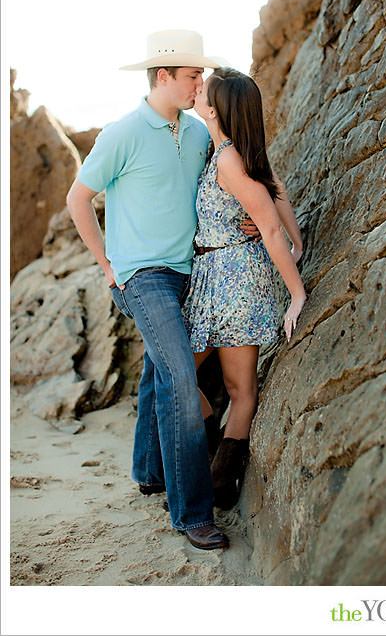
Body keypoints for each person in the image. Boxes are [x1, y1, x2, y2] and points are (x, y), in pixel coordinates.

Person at [66, 30, 233, 550]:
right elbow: (78, 198)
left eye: (200, 76)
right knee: (182, 379)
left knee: (158, 370)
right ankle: (192, 513)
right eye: (191, 77)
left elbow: (219, 186)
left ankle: (148, 471)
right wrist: (107, 262)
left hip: (191, 270)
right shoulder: (121, 133)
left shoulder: (199, 133)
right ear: (164, 76)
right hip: (142, 274)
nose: (198, 84)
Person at [184, 67, 306, 510]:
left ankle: (216, 479)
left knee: (231, 387)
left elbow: (269, 227)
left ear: (214, 109)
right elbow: (277, 190)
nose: (197, 91)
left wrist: (296, 292)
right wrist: (300, 241)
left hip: (235, 280)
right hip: (217, 276)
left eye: (204, 90)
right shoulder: (231, 153)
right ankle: (216, 467)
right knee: (186, 377)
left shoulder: (230, 161)